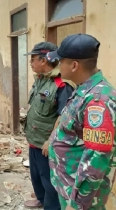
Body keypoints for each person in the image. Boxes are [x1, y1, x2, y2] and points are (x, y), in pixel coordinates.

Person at [47, 34, 116, 210]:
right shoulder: (84, 90)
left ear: (74, 65)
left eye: (60, 61)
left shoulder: (97, 101)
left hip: (81, 199)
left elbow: (96, 159)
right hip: (68, 185)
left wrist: (76, 204)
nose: (58, 65)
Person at [23, 42, 74, 210]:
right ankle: (41, 199)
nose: (31, 63)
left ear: (43, 60)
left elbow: (63, 116)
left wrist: (50, 141)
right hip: (34, 140)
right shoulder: (41, 80)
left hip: (46, 144)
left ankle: (50, 206)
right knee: (36, 176)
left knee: (49, 179)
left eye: (33, 59)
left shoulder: (61, 85)